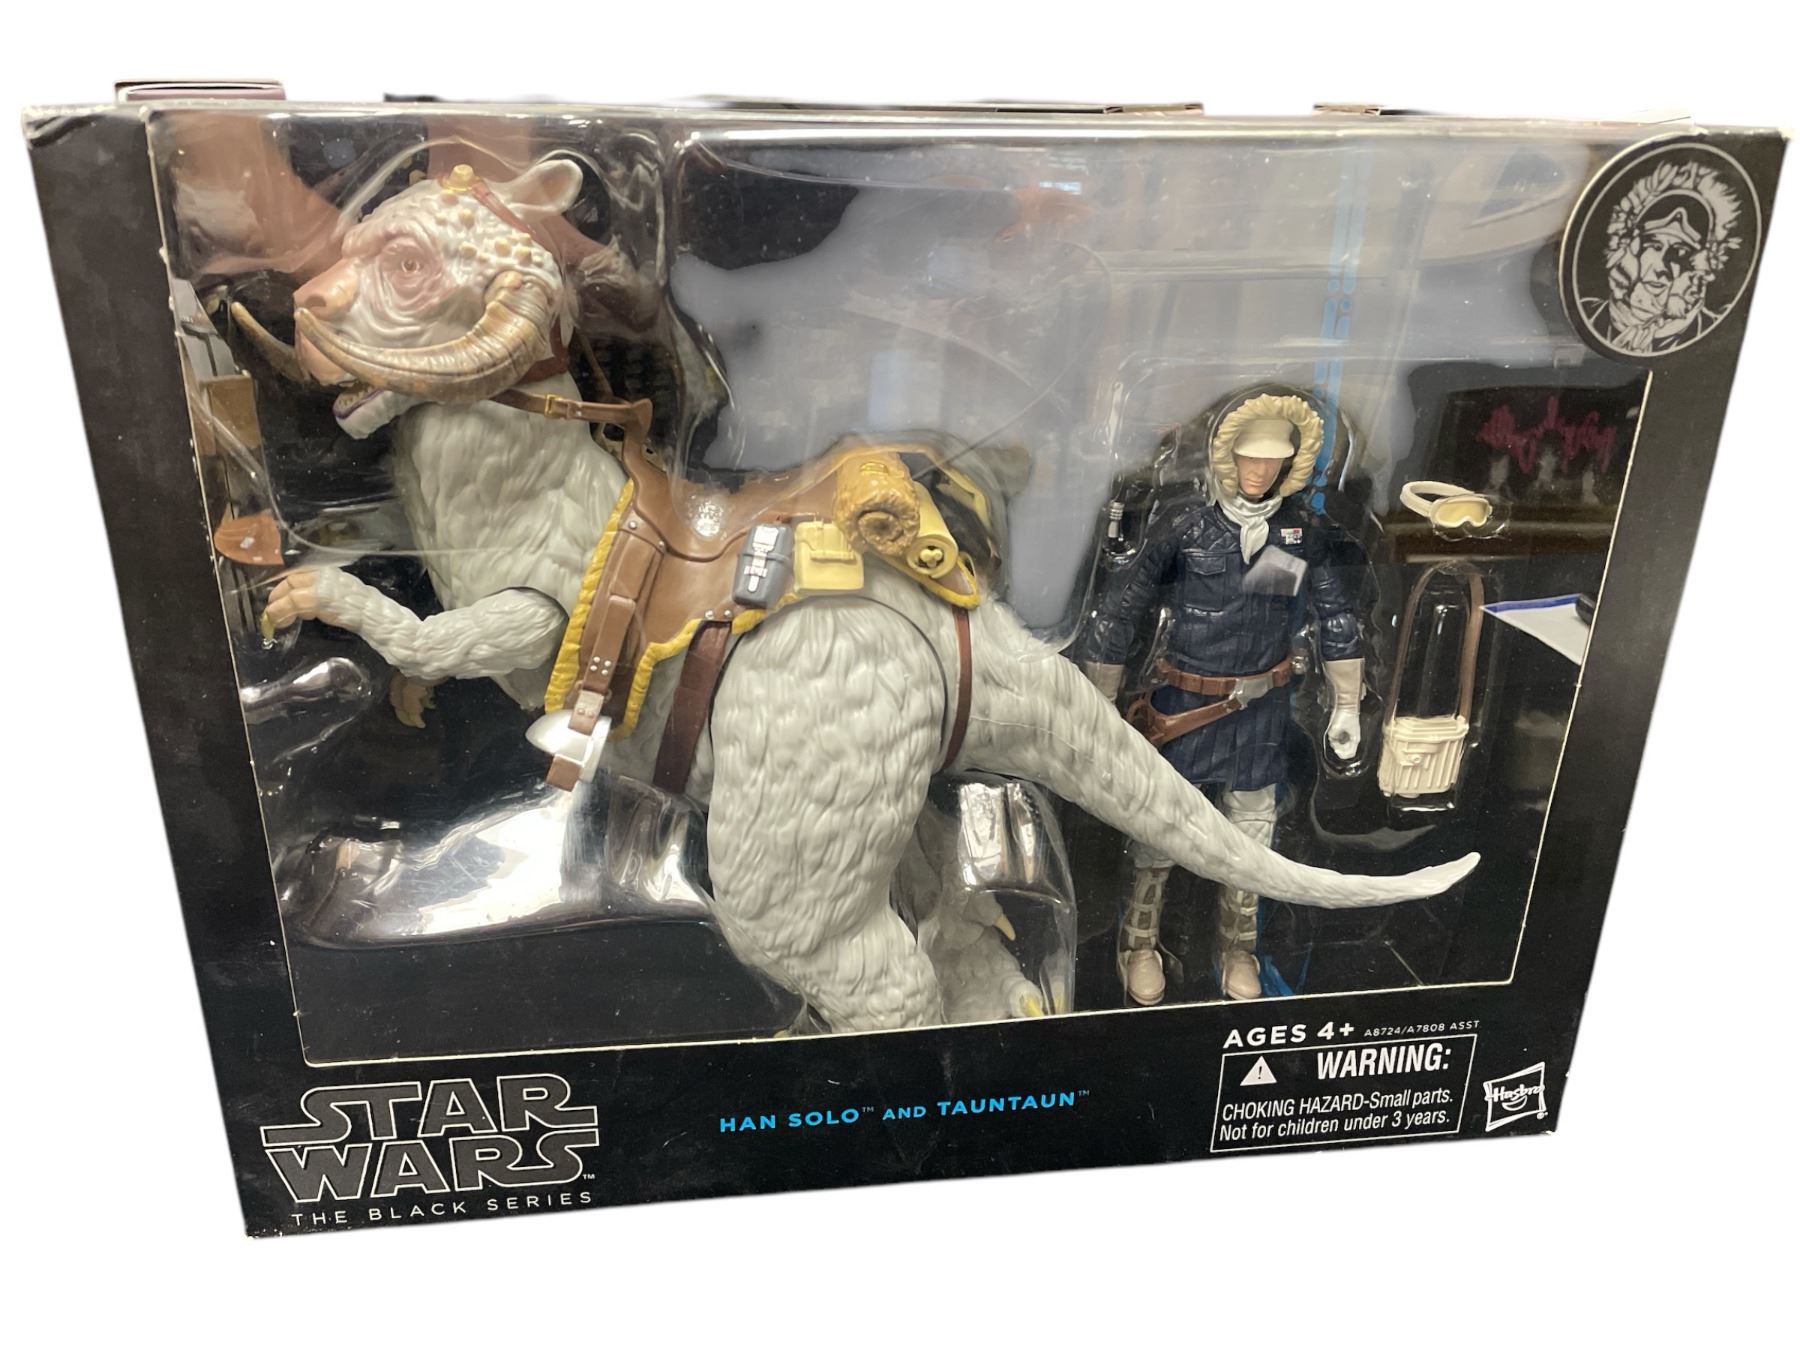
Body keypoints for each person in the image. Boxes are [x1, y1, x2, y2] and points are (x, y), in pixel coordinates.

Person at [1079, 388, 1364, 1004]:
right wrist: (1098, 705)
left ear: (1290, 464)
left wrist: (1346, 705)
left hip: (1262, 710)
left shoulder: (1300, 535)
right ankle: (1139, 943)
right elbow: (1119, 610)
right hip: (1182, 706)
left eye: (1272, 460)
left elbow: (1338, 616)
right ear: (1226, 457)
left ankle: (1239, 948)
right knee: (1159, 828)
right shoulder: (1184, 527)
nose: (1259, 471)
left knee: (1252, 831)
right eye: (1249, 458)